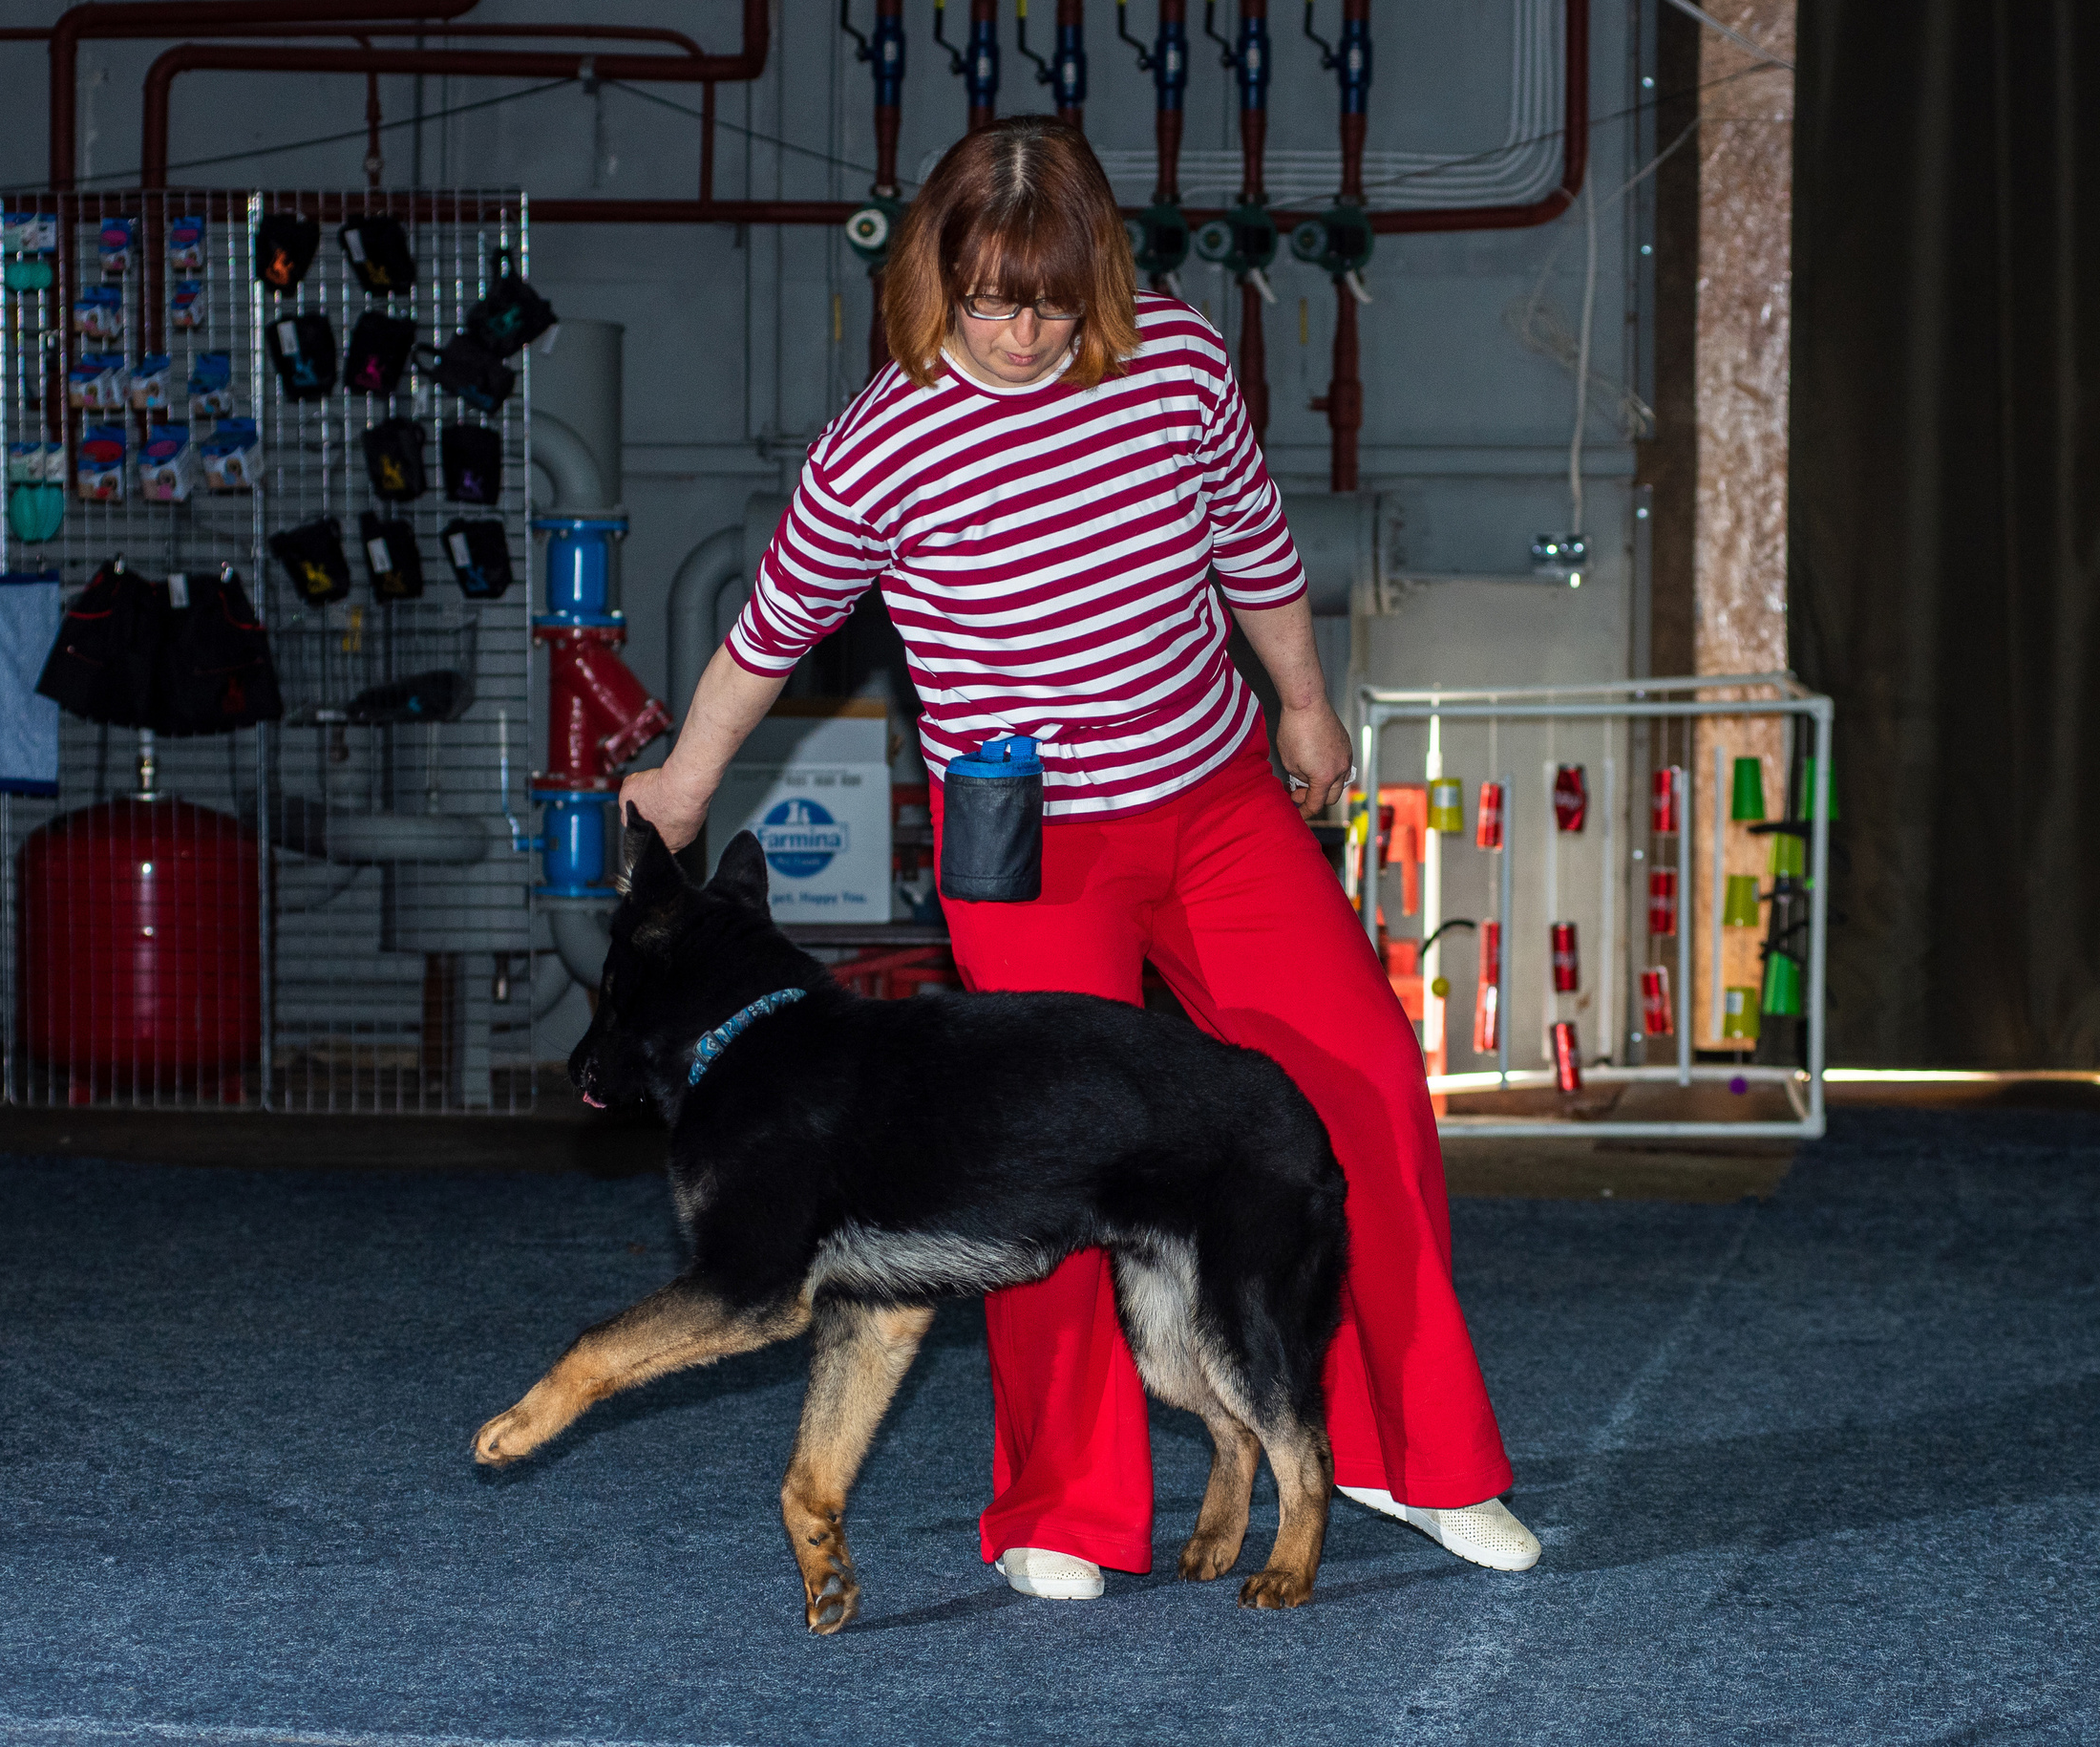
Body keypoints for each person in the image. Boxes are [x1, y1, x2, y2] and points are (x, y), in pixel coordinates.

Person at [618, 116, 1538, 1601]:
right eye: (989, 296)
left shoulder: (1174, 363)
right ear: (937, 274)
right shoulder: (883, 441)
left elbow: (1253, 545)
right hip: (1029, 845)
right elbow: (767, 635)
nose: (1021, 331)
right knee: (1028, 1168)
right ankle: (1065, 1505)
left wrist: (1304, 705)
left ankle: (1406, 1456)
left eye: (1049, 298)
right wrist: (682, 781)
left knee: (1363, 1082)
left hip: (1218, 799)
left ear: (1097, 272)